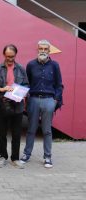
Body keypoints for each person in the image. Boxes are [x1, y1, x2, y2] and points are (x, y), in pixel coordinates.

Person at [20, 40, 63, 168]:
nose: (43, 51)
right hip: (33, 99)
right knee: (31, 129)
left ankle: (48, 157)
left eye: (45, 49)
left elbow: (59, 85)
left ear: (49, 51)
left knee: (47, 130)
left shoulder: (55, 65)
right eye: (41, 49)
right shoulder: (31, 65)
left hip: (49, 100)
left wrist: (55, 100)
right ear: (37, 50)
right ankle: (27, 154)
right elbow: (26, 83)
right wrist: (25, 98)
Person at [0, 44, 29, 169]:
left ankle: (15, 158)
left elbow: (27, 85)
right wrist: (2, 88)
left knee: (16, 134)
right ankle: (2, 156)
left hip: (17, 105)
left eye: (12, 56)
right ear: (4, 55)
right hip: (3, 105)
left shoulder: (21, 69)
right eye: (7, 56)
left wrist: (22, 94)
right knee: (2, 133)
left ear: (15, 55)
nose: (10, 59)